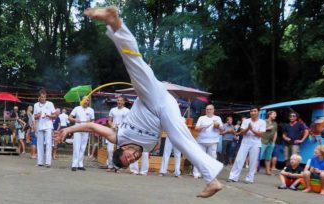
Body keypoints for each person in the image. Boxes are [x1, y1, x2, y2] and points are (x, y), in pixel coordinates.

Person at [56, 6, 223, 198]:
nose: (133, 158)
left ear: (122, 148)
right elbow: (163, 130)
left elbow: (92, 126)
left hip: (152, 98)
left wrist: (68, 129)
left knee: (133, 63)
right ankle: (213, 180)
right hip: (166, 108)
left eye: (128, 158)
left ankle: (114, 22)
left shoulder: (118, 138)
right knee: (179, 139)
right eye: (131, 162)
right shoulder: (151, 147)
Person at [228, 107, 266, 184]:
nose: (253, 113)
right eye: (251, 111)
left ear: (258, 112)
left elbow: (260, 134)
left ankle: (249, 179)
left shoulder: (262, 122)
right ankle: (233, 177)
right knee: (239, 160)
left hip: (255, 144)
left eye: (255, 111)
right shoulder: (246, 121)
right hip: (245, 143)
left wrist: (252, 129)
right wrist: (248, 128)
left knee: (253, 162)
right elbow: (242, 132)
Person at [193, 104, 223, 179]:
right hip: (201, 141)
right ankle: (196, 174)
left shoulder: (217, 118)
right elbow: (196, 128)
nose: (208, 111)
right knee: (199, 157)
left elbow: (222, 130)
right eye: (207, 109)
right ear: (205, 110)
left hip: (213, 141)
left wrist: (218, 126)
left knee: (212, 158)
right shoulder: (201, 118)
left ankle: (211, 174)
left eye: (210, 109)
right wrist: (203, 127)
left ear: (213, 110)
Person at [68, 96, 95, 171]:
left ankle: (80, 164)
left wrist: (89, 123)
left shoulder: (91, 110)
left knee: (83, 147)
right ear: (82, 100)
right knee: (76, 146)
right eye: (85, 100)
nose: (86, 101)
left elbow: (93, 121)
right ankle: (74, 165)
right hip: (77, 129)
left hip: (86, 130)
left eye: (88, 100)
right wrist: (75, 120)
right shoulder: (77, 108)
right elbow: (69, 117)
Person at [107, 96, 130, 171]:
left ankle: (118, 167)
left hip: (122, 132)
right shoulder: (112, 110)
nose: (119, 102)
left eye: (121, 101)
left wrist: (120, 126)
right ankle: (110, 166)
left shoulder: (127, 111)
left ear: (124, 102)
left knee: (119, 150)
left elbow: (128, 122)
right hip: (112, 130)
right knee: (110, 149)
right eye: (118, 100)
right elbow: (109, 120)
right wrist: (112, 125)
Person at [34, 89, 56, 168]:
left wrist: (49, 116)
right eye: (41, 97)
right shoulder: (36, 105)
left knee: (48, 143)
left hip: (48, 126)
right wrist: (38, 115)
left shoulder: (50, 104)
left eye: (44, 97)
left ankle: (48, 162)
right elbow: (35, 117)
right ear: (39, 97)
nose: (43, 98)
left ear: (46, 96)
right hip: (40, 126)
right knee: (39, 144)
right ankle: (40, 162)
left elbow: (55, 115)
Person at [261, 111, 278, 175]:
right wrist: (267, 128)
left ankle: (267, 171)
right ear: (269, 115)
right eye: (274, 114)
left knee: (268, 157)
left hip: (270, 142)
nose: (275, 115)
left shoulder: (275, 123)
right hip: (263, 141)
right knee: (258, 156)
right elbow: (259, 130)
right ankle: (253, 170)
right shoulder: (263, 121)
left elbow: (276, 133)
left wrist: (273, 142)